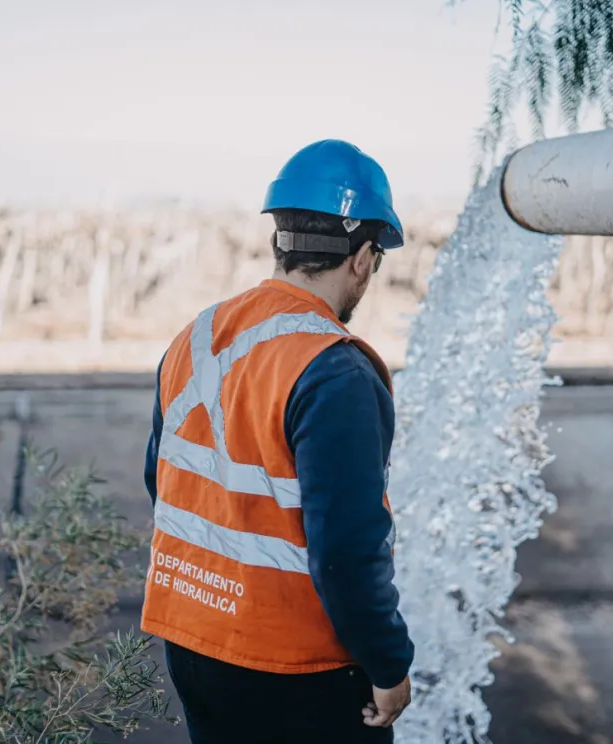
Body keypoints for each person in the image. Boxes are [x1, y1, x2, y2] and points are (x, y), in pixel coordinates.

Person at [141, 139, 415, 744]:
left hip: (193, 641)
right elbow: (347, 549)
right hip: (296, 668)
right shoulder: (333, 368)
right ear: (365, 258)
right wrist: (389, 662)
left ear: (279, 241)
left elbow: (163, 482)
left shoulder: (199, 335)